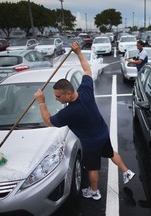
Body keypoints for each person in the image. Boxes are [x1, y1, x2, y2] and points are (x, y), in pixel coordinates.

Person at [34, 42, 135, 201]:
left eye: (58, 97)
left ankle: (94, 192)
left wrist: (41, 102)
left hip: (91, 143)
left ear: (68, 94)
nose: (56, 98)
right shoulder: (85, 90)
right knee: (110, 153)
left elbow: (48, 121)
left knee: (92, 168)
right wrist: (79, 53)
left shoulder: (69, 113)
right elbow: (87, 70)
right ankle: (126, 171)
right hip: (103, 132)